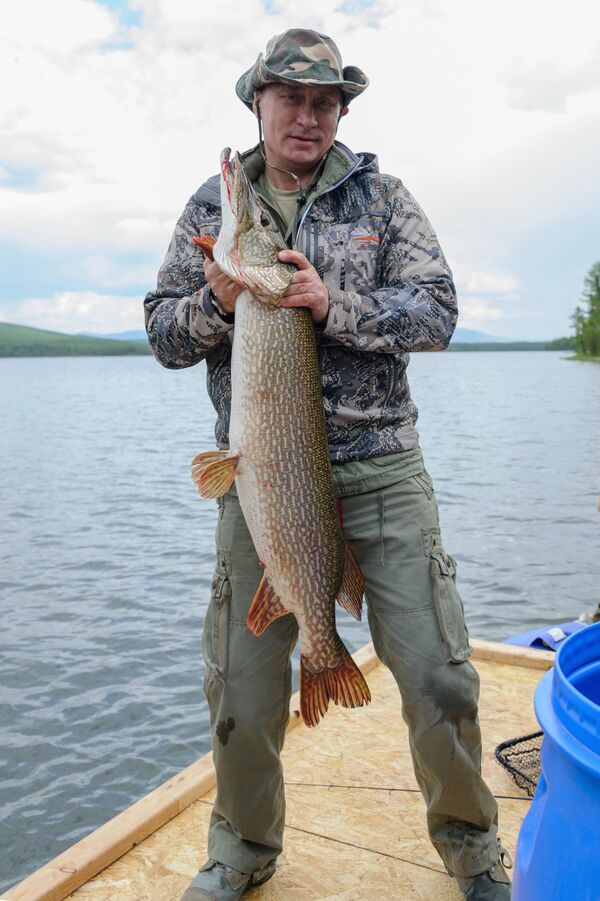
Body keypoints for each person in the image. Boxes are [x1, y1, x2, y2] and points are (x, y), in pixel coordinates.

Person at [144, 29, 512, 901]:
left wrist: (329, 301)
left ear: (340, 112)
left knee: (435, 672)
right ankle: (241, 849)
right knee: (241, 683)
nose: (305, 116)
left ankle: (471, 852)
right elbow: (162, 331)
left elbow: (439, 312)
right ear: (258, 104)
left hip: (382, 470)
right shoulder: (215, 204)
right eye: (289, 99)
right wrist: (219, 295)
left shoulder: (382, 197)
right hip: (264, 480)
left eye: (323, 102)